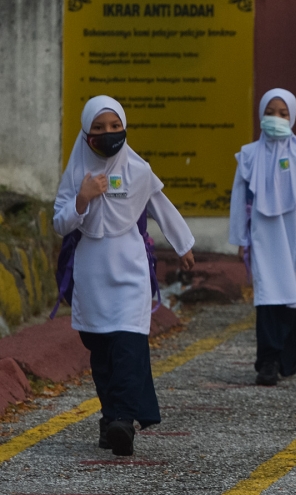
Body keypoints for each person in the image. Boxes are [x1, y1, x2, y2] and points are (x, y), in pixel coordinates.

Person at [53, 96, 196, 457]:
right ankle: (111, 417)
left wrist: (183, 243)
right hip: (91, 271)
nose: (108, 134)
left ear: (125, 127)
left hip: (130, 268)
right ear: (86, 134)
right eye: (99, 128)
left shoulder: (138, 169)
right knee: (101, 351)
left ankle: (124, 421)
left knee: (129, 347)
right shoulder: (76, 171)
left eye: (115, 127)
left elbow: (161, 205)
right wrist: (82, 200)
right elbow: (59, 223)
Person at [229, 89, 296, 386]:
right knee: (268, 299)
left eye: (284, 113)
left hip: (295, 236)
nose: (277, 119)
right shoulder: (249, 154)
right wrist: (241, 238)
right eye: (271, 112)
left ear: (292, 116)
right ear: (261, 114)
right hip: (263, 236)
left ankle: (291, 357)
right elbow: (238, 198)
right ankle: (267, 361)